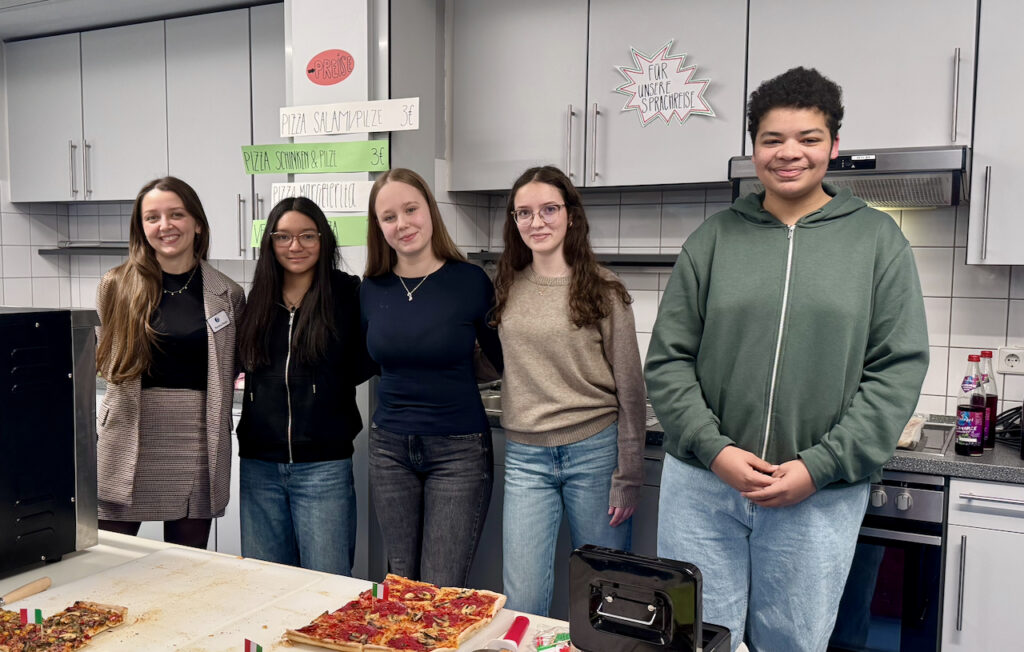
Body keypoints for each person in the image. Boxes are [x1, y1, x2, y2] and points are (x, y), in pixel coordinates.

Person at [644, 67, 929, 651]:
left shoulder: (879, 242)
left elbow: (897, 370)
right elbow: (668, 360)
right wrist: (715, 450)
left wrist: (820, 466)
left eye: (808, 138)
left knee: (792, 644)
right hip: (703, 486)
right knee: (697, 640)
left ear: (834, 146)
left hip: (818, 493)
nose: (789, 152)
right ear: (754, 148)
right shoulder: (713, 239)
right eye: (773, 139)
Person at [490, 166, 645, 616]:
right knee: (522, 598)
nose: (536, 222)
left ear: (571, 215)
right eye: (524, 213)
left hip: (594, 452)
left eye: (549, 209)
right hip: (525, 458)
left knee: (605, 594)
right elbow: (495, 360)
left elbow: (631, 387)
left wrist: (629, 475)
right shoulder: (506, 286)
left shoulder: (603, 288)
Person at [360, 168, 503, 586]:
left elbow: (501, 359)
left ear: (430, 211)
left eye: (411, 210)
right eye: (389, 217)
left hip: (458, 450)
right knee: (401, 583)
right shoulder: (371, 289)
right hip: (389, 449)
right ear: (378, 226)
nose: (402, 224)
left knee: (440, 588)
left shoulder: (470, 281)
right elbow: (365, 359)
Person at [95, 176, 245, 549]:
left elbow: (229, 365)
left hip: (198, 440)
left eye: (176, 214)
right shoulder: (115, 285)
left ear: (198, 224)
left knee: (187, 566)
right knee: (108, 561)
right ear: (141, 227)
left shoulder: (228, 294)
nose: (165, 225)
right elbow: (107, 358)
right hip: (129, 435)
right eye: (153, 217)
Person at [235, 197, 375, 575]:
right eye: (283, 237)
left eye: (307, 236)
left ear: (323, 239)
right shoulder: (257, 298)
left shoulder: (347, 294)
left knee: (326, 585)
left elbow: (367, 359)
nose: (295, 246)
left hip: (323, 467)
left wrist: (326, 390)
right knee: (266, 583)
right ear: (270, 242)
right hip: (259, 466)